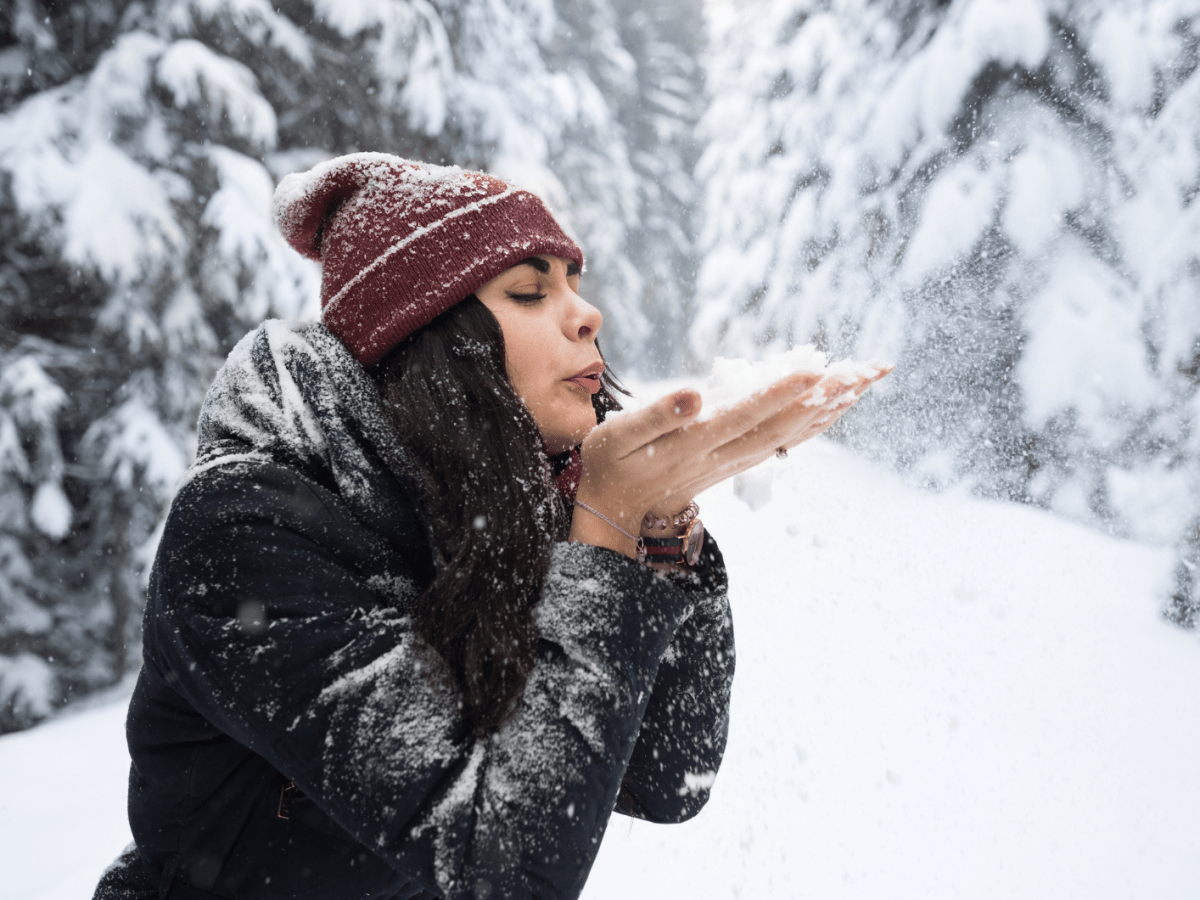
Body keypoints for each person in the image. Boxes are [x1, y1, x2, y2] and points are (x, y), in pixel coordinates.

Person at [92, 153, 886, 900]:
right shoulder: (248, 533)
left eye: (574, 283)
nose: (588, 314)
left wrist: (660, 535)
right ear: (429, 337)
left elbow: (667, 778)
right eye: (531, 292)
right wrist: (608, 524)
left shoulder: (509, 503)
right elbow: (506, 867)